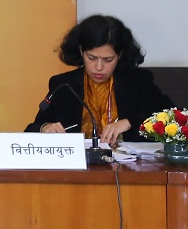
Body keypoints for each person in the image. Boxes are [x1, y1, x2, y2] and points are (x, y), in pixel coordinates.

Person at [26, 14, 175, 147]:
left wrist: (130, 123)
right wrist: (44, 128)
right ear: (81, 51)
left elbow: (174, 119)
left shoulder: (138, 82)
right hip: (78, 166)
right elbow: (32, 129)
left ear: (119, 55)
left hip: (126, 166)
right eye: (92, 58)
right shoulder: (64, 85)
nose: (99, 67)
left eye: (108, 60)